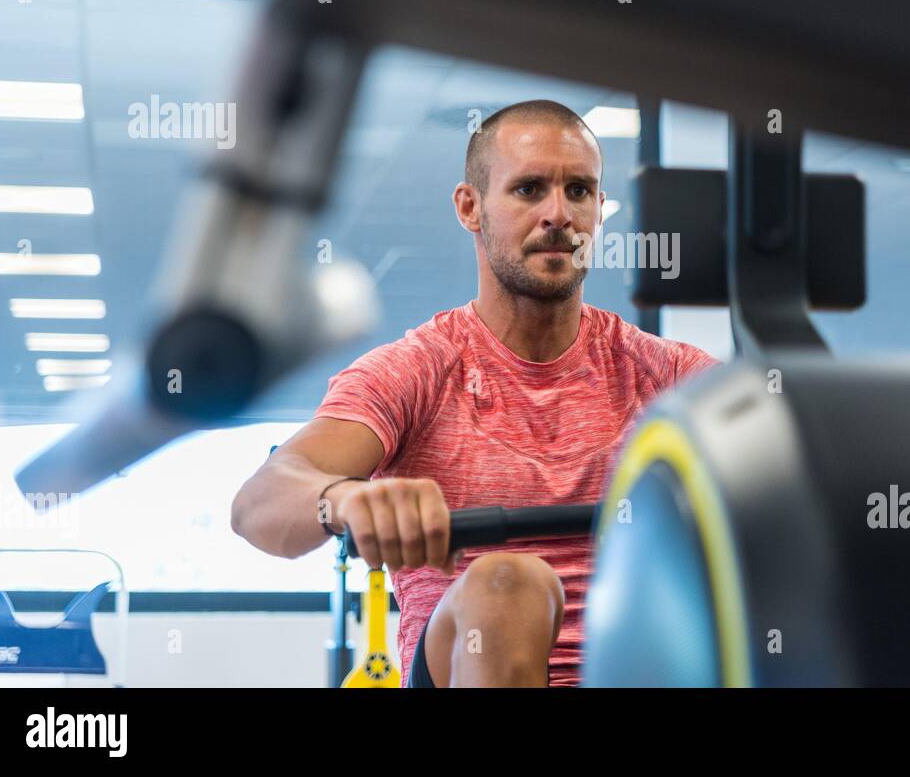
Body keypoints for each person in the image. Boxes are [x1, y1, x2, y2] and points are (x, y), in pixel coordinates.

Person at [230, 99, 718, 686]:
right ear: (470, 207)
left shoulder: (666, 376)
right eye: (530, 189)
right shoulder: (416, 371)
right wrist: (344, 501)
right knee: (508, 582)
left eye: (581, 191)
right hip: (465, 665)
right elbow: (257, 505)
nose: (559, 215)